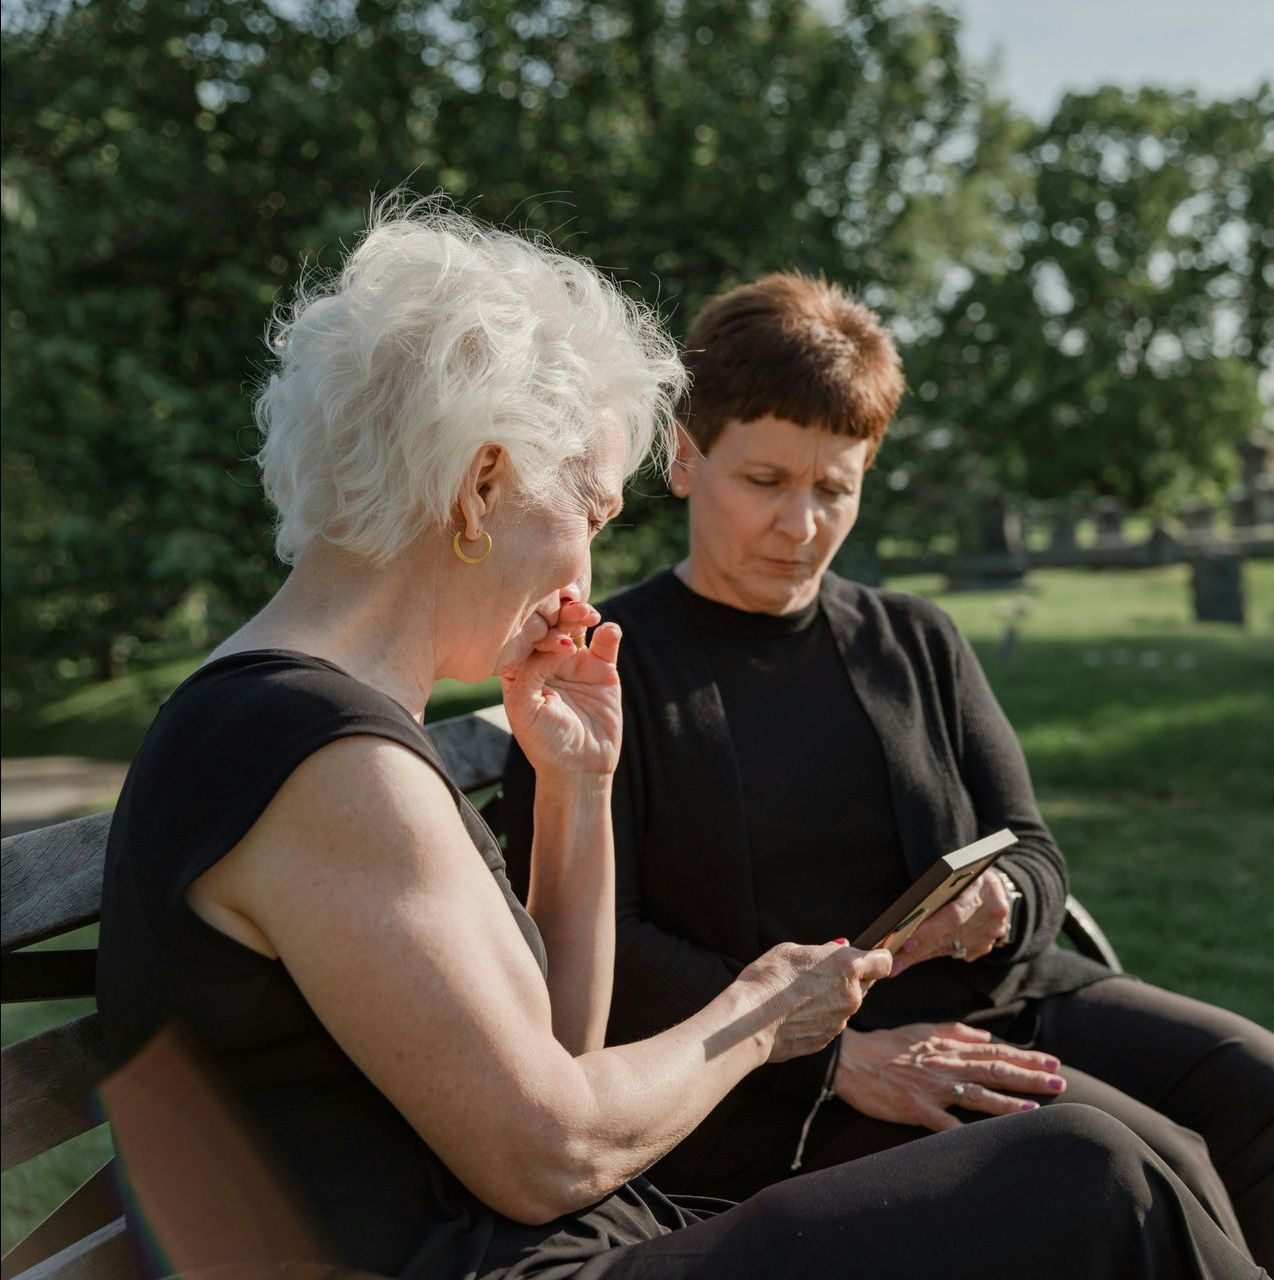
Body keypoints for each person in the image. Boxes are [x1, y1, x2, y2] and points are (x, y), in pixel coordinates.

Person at [95, 203, 1258, 1280]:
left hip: (565, 1238)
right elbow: (546, 1152)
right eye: (591, 514)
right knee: (1094, 1178)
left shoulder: (317, 726)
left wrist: (578, 785)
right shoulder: (315, 755)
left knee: (1110, 1160)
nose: (587, 572)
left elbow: (555, 1045)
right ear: (479, 487)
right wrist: (757, 1017)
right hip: (517, 1264)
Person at [504, 270, 1274, 1269]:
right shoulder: (609, 666)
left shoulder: (913, 637)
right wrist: (822, 1054)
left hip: (1005, 993)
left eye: (835, 486)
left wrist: (1003, 894)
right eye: (766, 480)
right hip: (764, 1081)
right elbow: (601, 944)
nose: (801, 525)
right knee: (1154, 1163)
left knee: (1254, 1084)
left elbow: (1033, 847)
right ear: (685, 457)